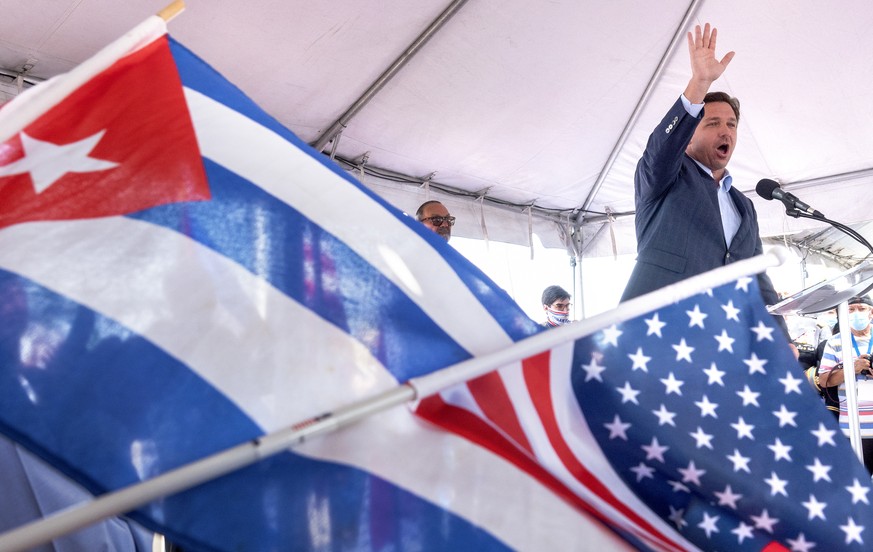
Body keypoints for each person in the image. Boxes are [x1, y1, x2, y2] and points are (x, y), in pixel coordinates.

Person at [619, 23, 782, 320]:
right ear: (689, 134)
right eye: (713, 123)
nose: (726, 131)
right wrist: (699, 84)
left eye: (731, 124)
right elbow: (661, 147)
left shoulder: (744, 206)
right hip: (662, 330)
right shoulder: (665, 176)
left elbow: (758, 278)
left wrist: (781, 337)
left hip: (720, 340)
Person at [818, 296, 873, 473]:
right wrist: (852, 368)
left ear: (871, 312)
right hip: (853, 429)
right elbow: (824, 380)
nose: (857, 313)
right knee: (858, 482)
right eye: (851, 309)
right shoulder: (834, 342)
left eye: (861, 308)